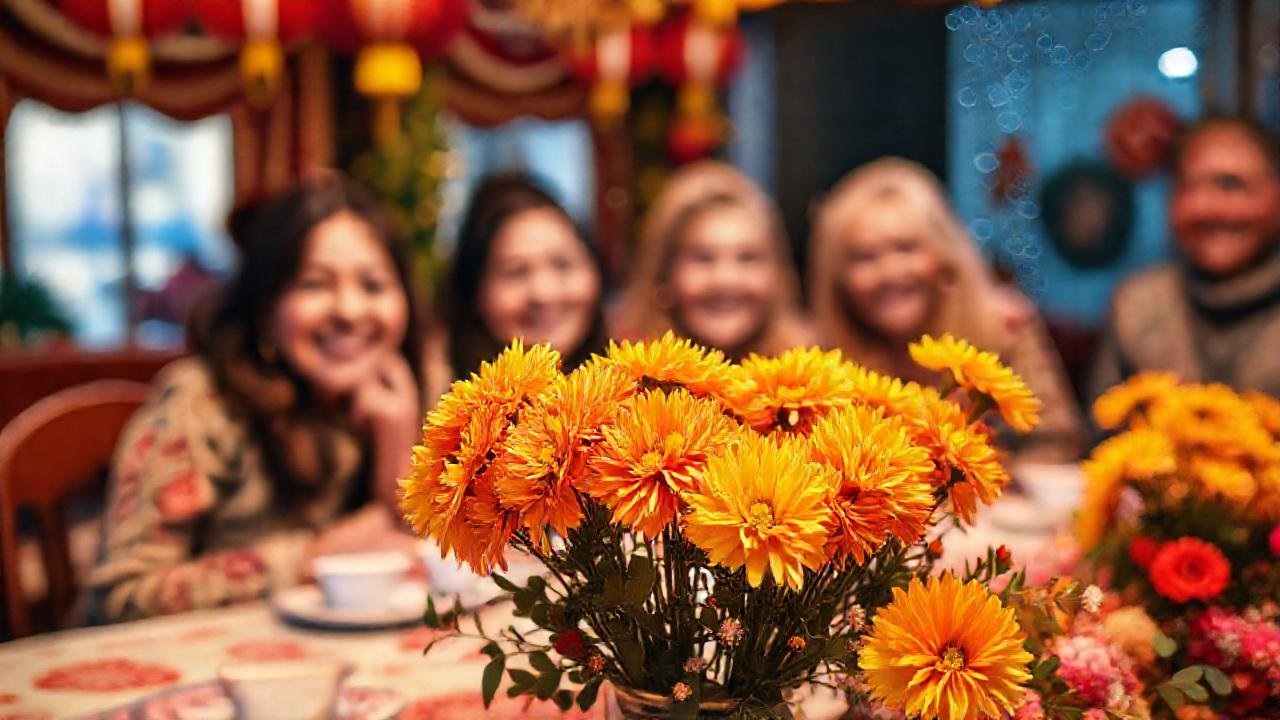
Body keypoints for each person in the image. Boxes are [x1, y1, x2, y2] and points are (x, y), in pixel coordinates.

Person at [85, 175, 425, 623]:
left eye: (373, 286)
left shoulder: (382, 397)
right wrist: (310, 559)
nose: (349, 309)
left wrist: (397, 447)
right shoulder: (201, 404)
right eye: (315, 284)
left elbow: (412, 559)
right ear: (266, 308)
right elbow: (117, 602)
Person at [810, 157, 1084, 462]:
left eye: (906, 248)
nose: (890, 272)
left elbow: (1057, 443)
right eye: (864, 257)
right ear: (838, 280)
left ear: (943, 256)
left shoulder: (1007, 325)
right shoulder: (821, 356)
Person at [1090, 116, 1280, 399]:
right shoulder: (1137, 305)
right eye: (1187, 187)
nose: (1203, 208)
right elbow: (1104, 429)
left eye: (1230, 185)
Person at [430, 174, 606, 400]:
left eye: (563, 265)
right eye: (516, 272)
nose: (544, 292)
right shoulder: (435, 412)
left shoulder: (640, 401)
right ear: (474, 292)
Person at [615, 161, 811, 358]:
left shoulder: (816, 377)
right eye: (703, 258)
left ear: (777, 274)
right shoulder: (623, 377)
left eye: (748, 258)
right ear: (663, 274)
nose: (726, 279)